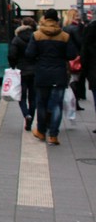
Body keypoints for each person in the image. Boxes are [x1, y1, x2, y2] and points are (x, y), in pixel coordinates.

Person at [26, 8, 78, 146]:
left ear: (44, 18)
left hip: (42, 74)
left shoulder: (36, 35)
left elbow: (29, 54)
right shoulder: (64, 36)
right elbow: (72, 54)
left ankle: (41, 131)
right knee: (56, 105)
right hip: (59, 74)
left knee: (41, 104)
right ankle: (53, 135)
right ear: (57, 20)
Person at [7, 16, 38, 131]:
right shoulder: (36, 37)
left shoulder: (16, 39)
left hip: (21, 72)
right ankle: (30, 120)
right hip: (34, 71)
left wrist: (13, 66)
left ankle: (26, 115)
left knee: (22, 96)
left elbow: (11, 55)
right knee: (33, 98)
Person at [63, 8, 86, 110]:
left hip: (67, 56)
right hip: (76, 57)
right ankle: (75, 102)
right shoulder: (76, 28)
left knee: (71, 79)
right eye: (77, 15)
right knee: (76, 80)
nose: (79, 17)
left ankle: (72, 101)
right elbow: (80, 42)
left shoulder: (65, 28)